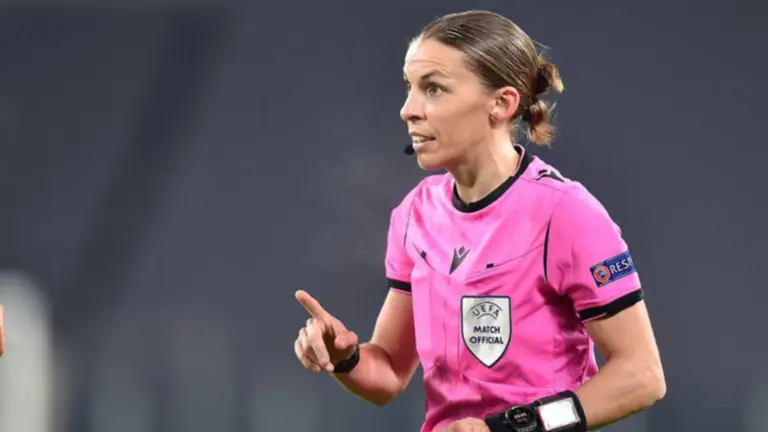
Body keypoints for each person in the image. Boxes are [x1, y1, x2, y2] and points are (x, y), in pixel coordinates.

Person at [294, 9, 665, 432]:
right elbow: (390, 372)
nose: (407, 110)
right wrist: (346, 358)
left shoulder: (566, 213)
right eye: (409, 88)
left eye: (434, 88)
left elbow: (642, 376)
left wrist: (513, 427)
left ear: (502, 103)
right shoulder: (415, 214)